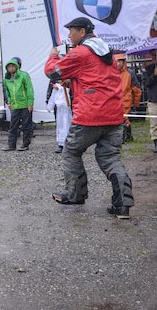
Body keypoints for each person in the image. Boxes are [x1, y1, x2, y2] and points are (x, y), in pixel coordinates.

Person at [44, 17, 133, 219]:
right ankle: (122, 205)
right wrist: (74, 80)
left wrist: (52, 55)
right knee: (110, 158)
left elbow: (52, 72)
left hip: (90, 115)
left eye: (71, 31)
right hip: (113, 115)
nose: (68, 36)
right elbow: (93, 77)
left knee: (71, 152)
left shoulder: (81, 52)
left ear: (82, 32)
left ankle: (75, 194)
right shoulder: (105, 51)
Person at [2, 58, 35, 151]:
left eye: (13, 66)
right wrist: (9, 102)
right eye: (9, 67)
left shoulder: (24, 76)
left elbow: (29, 89)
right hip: (15, 106)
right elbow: (7, 92)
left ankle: (25, 144)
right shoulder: (6, 79)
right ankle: (11, 145)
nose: (11, 68)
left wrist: (30, 103)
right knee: (13, 126)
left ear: (17, 67)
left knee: (26, 126)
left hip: (24, 105)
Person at [115, 54, 142, 143]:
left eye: (120, 61)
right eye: (116, 61)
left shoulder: (129, 73)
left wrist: (136, 103)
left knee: (123, 118)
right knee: (121, 119)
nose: (118, 63)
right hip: (114, 101)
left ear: (123, 62)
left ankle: (124, 137)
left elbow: (136, 89)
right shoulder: (111, 73)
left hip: (126, 101)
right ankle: (128, 137)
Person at [46, 81, 72, 153]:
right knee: (60, 125)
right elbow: (50, 91)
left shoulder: (70, 76)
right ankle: (61, 144)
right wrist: (49, 103)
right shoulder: (54, 78)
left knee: (69, 125)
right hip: (59, 107)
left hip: (69, 106)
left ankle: (70, 144)